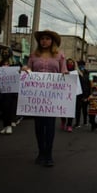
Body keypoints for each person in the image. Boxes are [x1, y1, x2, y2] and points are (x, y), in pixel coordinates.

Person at [22, 29, 68, 167]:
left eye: (47, 38)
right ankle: (41, 152)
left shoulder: (60, 56)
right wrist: (24, 70)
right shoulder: (33, 56)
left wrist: (67, 76)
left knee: (49, 126)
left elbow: (63, 71)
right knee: (38, 126)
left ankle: (48, 154)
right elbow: (29, 71)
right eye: (42, 38)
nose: (44, 41)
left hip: (53, 97)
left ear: (52, 41)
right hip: (37, 97)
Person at [0, 46, 19, 135]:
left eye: (7, 52)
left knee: (9, 107)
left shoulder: (15, 63)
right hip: (2, 90)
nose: (5, 53)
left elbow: (19, 73)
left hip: (12, 90)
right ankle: (5, 125)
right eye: (4, 52)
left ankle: (9, 125)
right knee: (3, 108)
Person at [60, 58, 76, 132]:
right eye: (69, 63)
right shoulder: (62, 71)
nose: (70, 64)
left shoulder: (75, 73)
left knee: (70, 110)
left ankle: (69, 125)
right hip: (63, 93)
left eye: (72, 63)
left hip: (72, 94)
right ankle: (63, 121)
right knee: (62, 109)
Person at [75, 60, 91, 128]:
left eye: (83, 65)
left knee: (85, 109)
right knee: (78, 110)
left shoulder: (87, 73)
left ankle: (85, 122)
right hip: (78, 94)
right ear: (78, 66)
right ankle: (77, 123)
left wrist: (88, 95)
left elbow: (88, 84)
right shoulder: (75, 73)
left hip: (85, 94)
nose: (82, 66)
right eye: (80, 65)